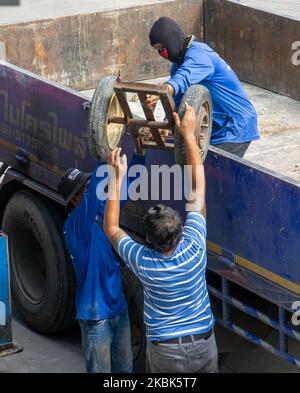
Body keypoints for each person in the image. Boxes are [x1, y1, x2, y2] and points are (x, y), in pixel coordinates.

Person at [103, 103, 218, 373]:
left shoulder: (144, 263)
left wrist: (117, 177)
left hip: (165, 351)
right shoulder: (194, 248)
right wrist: (189, 135)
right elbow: (198, 188)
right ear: (180, 231)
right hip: (203, 343)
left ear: (150, 241)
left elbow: (110, 227)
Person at [57, 147, 145, 373]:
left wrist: (139, 152)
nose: (89, 190)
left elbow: (130, 185)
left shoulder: (103, 211)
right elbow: (97, 186)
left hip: (118, 309)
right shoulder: (74, 226)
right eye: (83, 189)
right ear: (75, 200)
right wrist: (104, 149)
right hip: (95, 317)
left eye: (87, 185)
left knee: (124, 371)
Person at [146, 16, 259, 158]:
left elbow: (184, 78)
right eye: (157, 50)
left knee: (207, 171)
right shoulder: (177, 65)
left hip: (235, 125)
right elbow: (178, 102)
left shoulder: (199, 55)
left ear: (171, 41)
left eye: (162, 48)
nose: (161, 54)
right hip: (214, 128)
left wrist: (165, 89)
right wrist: (166, 126)